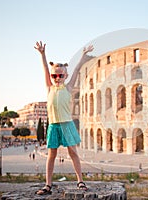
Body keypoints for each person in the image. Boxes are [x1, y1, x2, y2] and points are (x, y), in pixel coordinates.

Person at [34, 41, 93, 195]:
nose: (57, 77)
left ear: (65, 76)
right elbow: (45, 69)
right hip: (54, 125)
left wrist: (83, 55)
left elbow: (77, 69)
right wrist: (42, 54)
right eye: (55, 75)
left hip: (67, 124)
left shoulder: (68, 87)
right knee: (51, 155)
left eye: (61, 75)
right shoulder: (49, 87)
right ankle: (48, 185)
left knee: (73, 153)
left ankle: (80, 181)